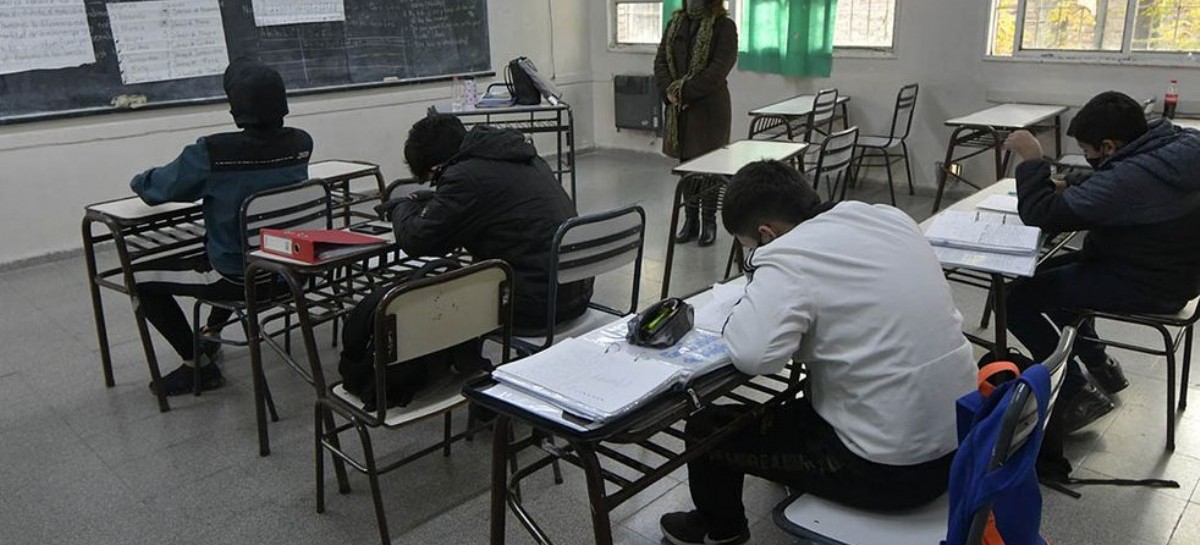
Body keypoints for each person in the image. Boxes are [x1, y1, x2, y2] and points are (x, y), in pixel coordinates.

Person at [659, 160, 977, 545]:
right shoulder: (889, 218)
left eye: (747, 248)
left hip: (892, 471)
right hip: (960, 444)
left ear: (766, 234)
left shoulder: (787, 255)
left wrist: (752, 289)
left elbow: (754, 355)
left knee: (707, 429)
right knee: (803, 402)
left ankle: (720, 530)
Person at [1003, 90, 1200, 433]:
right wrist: (1073, 182)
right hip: (1168, 267)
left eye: (1087, 152)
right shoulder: (1178, 145)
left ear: (1109, 146)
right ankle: (1100, 362)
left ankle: (1075, 393)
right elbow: (1124, 176)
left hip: (1148, 282)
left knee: (1014, 300)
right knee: (1041, 276)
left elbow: (1042, 214)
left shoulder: (1130, 180)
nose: (1088, 158)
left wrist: (1033, 158)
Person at [130, 59, 313, 396]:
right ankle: (211, 333)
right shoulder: (301, 143)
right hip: (293, 269)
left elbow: (158, 189)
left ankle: (197, 367)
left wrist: (139, 180)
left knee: (138, 279)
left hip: (239, 278)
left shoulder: (212, 153)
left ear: (235, 109)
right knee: (232, 245)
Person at [388, 114, 592, 332]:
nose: (437, 185)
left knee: (425, 299)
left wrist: (400, 206)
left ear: (438, 166)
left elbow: (417, 240)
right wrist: (438, 200)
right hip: (573, 291)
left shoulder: (465, 177)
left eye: (434, 179)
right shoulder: (520, 155)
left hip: (535, 307)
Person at [654, 0, 737, 247]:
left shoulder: (724, 26)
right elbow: (660, 61)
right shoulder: (675, 23)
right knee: (687, 167)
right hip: (679, 109)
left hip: (710, 109)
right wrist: (670, 92)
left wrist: (685, 92)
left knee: (710, 168)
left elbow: (719, 69)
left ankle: (708, 222)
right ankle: (690, 221)